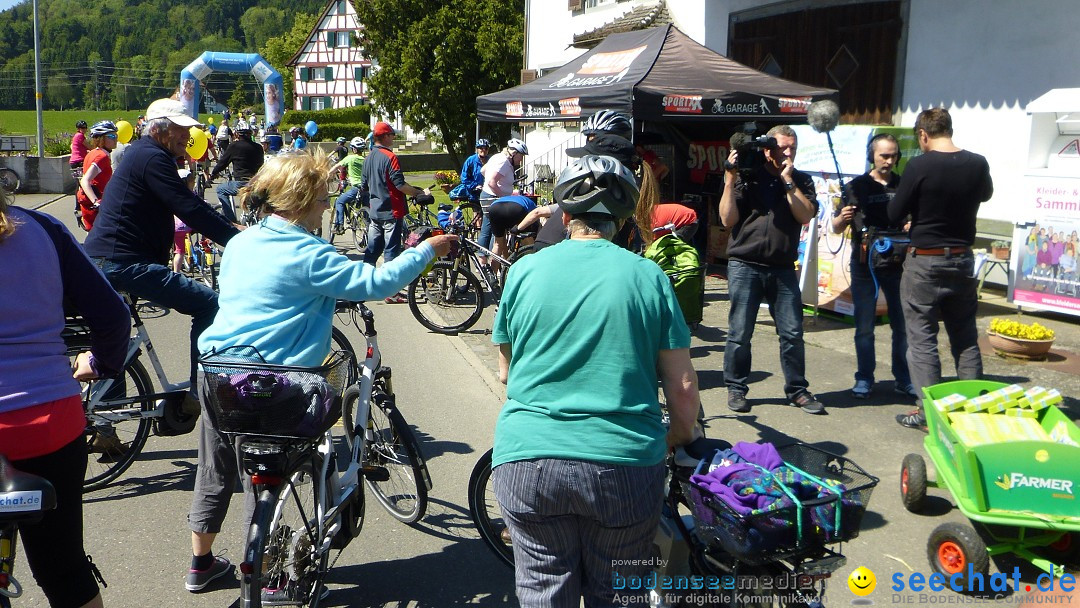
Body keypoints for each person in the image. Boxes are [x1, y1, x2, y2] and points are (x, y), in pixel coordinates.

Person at [186, 150, 456, 597]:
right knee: (274, 465)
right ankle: (274, 575)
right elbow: (375, 284)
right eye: (322, 199)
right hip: (276, 382)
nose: (328, 206)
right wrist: (425, 251)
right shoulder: (310, 253)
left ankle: (201, 562)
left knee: (214, 467)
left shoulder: (240, 244)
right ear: (302, 200)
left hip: (217, 372)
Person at [491, 155, 699, 608]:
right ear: (623, 222)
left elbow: (507, 372)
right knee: (618, 592)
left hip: (529, 459)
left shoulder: (524, 270)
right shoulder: (649, 276)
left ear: (565, 217)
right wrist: (677, 436)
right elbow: (683, 392)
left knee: (544, 587)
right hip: (623, 465)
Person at [0, 182, 131, 608]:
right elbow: (112, 316)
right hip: (48, 423)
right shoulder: (43, 229)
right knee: (64, 569)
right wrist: (103, 364)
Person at [83, 98, 239, 421]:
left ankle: (105, 424)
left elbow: (188, 206)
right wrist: (236, 240)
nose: (187, 136)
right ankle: (200, 392)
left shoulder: (143, 153)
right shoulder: (153, 158)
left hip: (106, 259)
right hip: (123, 263)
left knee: (117, 338)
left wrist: (226, 227)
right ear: (162, 129)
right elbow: (188, 206)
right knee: (208, 304)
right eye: (181, 129)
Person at [888, 107, 994, 430]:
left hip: (926, 260)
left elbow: (894, 213)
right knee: (964, 337)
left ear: (923, 135)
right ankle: (971, 410)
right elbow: (986, 194)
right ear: (949, 129)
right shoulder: (977, 163)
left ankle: (928, 413)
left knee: (922, 339)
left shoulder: (919, 165)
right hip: (962, 258)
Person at [719, 124, 824, 415]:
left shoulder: (801, 180)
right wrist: (730, 179)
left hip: (782, 268)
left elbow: (805, 216)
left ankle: (797, 390)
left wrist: (788, 181)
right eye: (782, 147)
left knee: (792, 333)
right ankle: (736, 388)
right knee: (740, 333)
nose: (787, 152)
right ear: (767, 148)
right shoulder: (747, 178)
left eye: (792, 147)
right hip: (745, 265)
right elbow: (727, 220)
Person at [830, 133, 914, 399]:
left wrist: (912, 225)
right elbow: (834, 227)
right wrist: (841, 219)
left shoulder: (905, 185)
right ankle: (864, 378)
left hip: (898, 263)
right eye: (884, 156)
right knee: (864, 325)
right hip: (864, 263)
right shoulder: (856, 186)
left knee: (902, 326)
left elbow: (914, 219)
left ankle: (903, 379)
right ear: (872, 156)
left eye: (893, 156)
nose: (889, 161)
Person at [360, 121, 430, 283]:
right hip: (391, 210)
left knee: (373, 249)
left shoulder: (368, 157)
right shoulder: (390, 157)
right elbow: (400, 185)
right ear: (385, 137)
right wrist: (418, 192)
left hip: (375, 210)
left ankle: (363, 281)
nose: (393, 138)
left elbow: (364, 186)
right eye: (391, 135)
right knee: (391, 250)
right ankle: (390, 289)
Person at [479, 139, 528, 264]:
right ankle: (493, 261)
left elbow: (483, 171)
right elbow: (492, 182)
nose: (521, 160)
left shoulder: (497, 157)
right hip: (492, 198)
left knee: (487, 228)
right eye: (521, 156)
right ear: (514, 153)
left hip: (486, 196)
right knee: (497, 231)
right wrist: (504, 197)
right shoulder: (504, 162)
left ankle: (482, 260)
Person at [210, 120, 264, 223]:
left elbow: (223, 163)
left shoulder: (234, 146)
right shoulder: (258, 148)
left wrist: (213, 174)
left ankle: (232, 221)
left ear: (237, 133)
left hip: (241, 183)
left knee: (221, 189)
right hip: (256, 183)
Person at [77, 121, 120, 231]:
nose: (115, 138)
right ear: (100, 139)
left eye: (116, 135)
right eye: (111, 136)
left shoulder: (92, 153)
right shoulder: (101, 157)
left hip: (89, 207)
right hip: (96, 208)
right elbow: (85, 180)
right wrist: (96, 202)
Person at [486, 193, 536, 271]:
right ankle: (532, 270)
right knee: (528, 243)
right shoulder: (532, 204)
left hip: (495, 208)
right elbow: (535, 222)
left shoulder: (511, 198)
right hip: (517, 209)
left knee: (498, 245)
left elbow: (503, 245)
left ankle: (492, 277)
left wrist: (507, 261)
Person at [331, 137, 367, 234]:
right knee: (367, 211)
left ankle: (340, 226)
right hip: (368, 189)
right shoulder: (366, 160)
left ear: (354, 149)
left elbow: (336, 167)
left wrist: (326, 175)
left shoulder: (350, 158)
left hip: (356, 189)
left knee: (339, 201)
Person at [457, 138, 490, 206]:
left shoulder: (491, 160)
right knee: (477, 213)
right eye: (481, 148)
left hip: (488, 192)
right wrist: (475, 185)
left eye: (486, 148)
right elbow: (464, 177)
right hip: (474, 193)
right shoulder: (471, 160)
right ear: (477, 149)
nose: (483, 150)